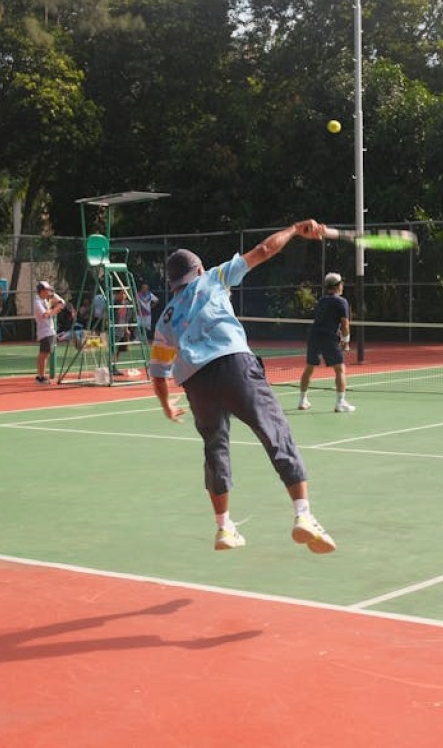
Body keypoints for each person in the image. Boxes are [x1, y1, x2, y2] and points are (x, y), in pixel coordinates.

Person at [148, 220, 337, 554]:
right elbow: (264, 251)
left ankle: (223, 527)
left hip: (195, 382)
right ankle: (303, 516)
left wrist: (165, 406)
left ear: (174, 282)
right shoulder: (215, 277)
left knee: (215, 448)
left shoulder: (164, 319)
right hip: (234, 363)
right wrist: (294, 231)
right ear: (199, 269)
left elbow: (159, 372)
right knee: (276, 433)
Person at [297, 271, 354, 412]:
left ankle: (302, 401)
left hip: (314, 336)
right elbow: (345, 324)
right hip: (328, 337)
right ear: (338, 286)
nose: (343, 286)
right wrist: (346, 342)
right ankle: (340, 403)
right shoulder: (342, 302)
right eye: (341, 284)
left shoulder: (321, 300)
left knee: (309, 368)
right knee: (340, 369)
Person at [32, 280, 68, 385]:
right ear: (41, 291)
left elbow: (62, 302)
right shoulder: (37, 301)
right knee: (44, 354)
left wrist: (54, 297)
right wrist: (56, 308)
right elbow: (45, 315)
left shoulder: (45, 299)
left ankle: (41, 375)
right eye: (46, 290)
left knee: (46, 354)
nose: (49, 292)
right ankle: (40, 377)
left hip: (49, 330)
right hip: (45, 331)